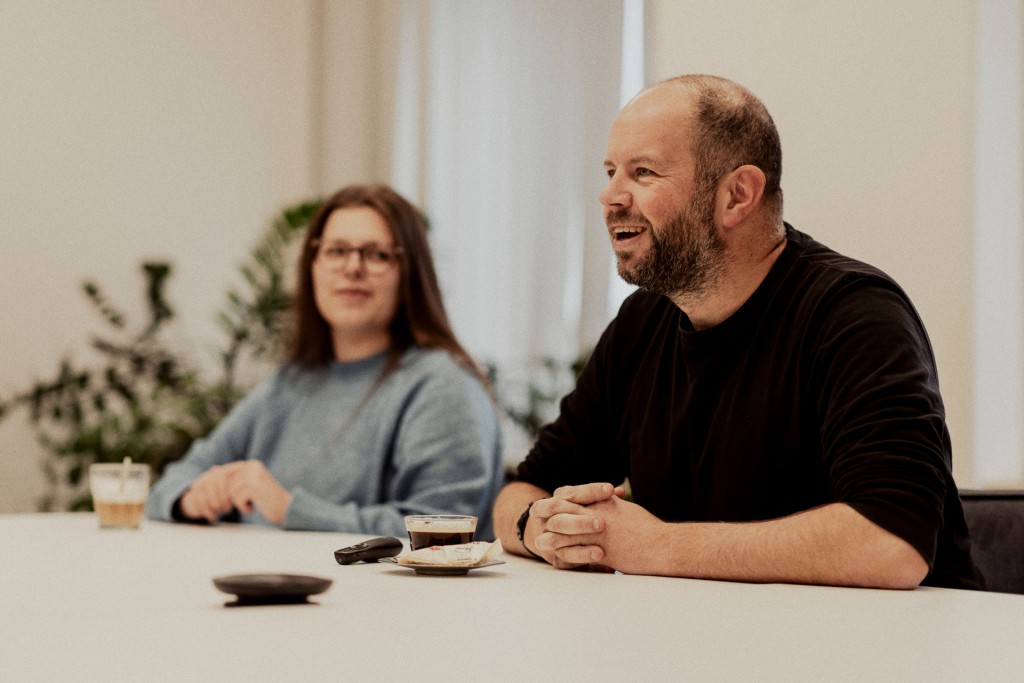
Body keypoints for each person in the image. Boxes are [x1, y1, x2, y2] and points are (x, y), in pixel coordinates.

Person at [494, 75, 983, 589]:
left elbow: (893, 545)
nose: (610, 196)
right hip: (715, 633)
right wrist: (540, 529)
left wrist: (654, 545)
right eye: (611, 171)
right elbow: (524, 489)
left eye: (643, 172)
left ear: (737, 195)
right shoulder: (643, 322)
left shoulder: (855, 315)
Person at [147, 184, 504, 538]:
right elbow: (178, 479)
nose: (352, 267)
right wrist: (192, 498)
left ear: (410, 272)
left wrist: (288, 509)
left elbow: (442, 531)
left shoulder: (443, 385)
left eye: (377, 254)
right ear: (313, 265)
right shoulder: (292, 381)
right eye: (336, 251)